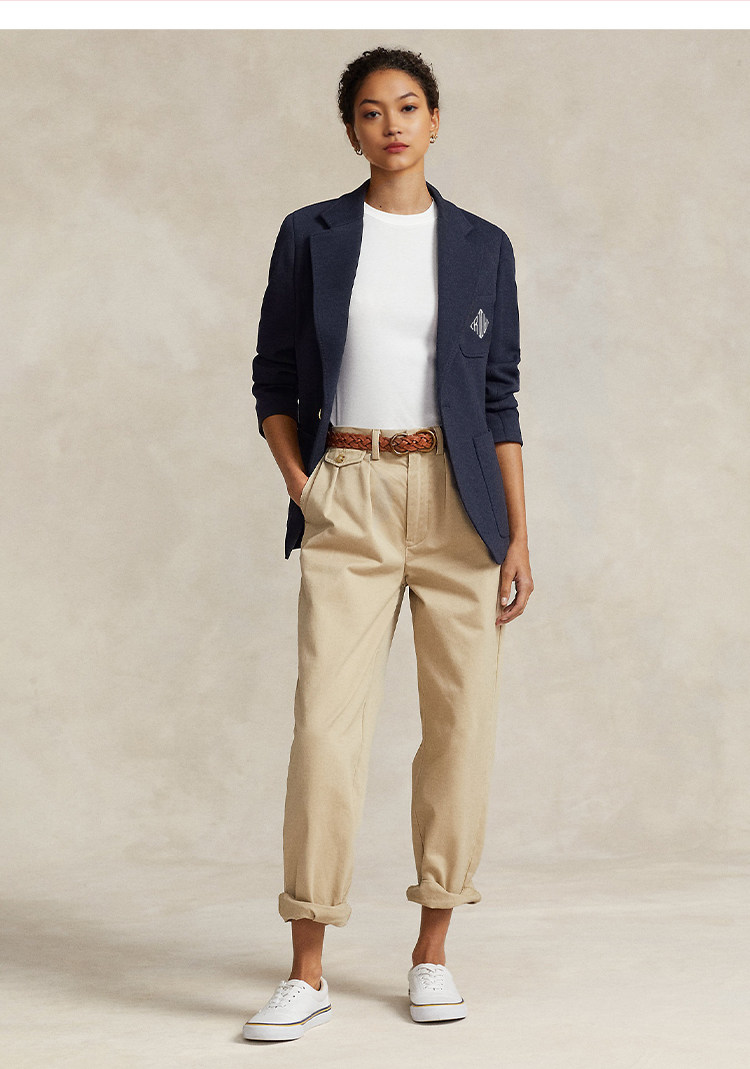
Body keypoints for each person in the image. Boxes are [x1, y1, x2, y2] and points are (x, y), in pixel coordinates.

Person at [243, 46, 533, 1042]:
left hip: (461, 505)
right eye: (372, 111)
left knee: (460, 728)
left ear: (435, 120)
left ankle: (432, 951)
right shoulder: (312, 235)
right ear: (352, 130)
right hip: (351, 492)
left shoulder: (484, 245)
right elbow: (273, 376)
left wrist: (517, 533)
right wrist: (305, 485)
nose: (392, 125)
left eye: (408, 107)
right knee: (325, 731)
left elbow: (499, 398)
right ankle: (307, 967)